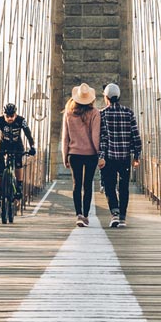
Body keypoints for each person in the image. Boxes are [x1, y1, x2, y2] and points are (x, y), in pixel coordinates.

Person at [97, 82, 142, 227]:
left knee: (110, 187)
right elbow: (136, 136)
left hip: (109, 157)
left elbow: (102, 138)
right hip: (124, 158)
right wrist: (136, 155)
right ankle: (122, 217)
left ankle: (114, 214)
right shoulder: (129, 113)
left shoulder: (101, 114)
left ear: (106, 97)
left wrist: (101, 157)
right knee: (124, 187)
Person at [62, 82, 102, 226]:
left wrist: (65, 156)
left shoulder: (68, 113)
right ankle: (85, 216)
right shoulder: (95, 113)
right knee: (88, 185)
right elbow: (96, 136)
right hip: (91, 155)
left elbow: (65, 137)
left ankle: (79, 215)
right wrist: (100, 155)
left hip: (74, 154)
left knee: (76, 184)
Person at [0, 102, 36, 200]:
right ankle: (0, 192)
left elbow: (28, 134)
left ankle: (19, 186)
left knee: (18, 164)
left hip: (17, 146)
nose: (10, 118)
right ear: (4, 114)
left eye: (12, 116)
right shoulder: (0, 120)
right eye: (7, 116)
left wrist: (32, 147)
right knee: (1, 170)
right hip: (4, 145)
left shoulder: (21, 120)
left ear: (15, 114)